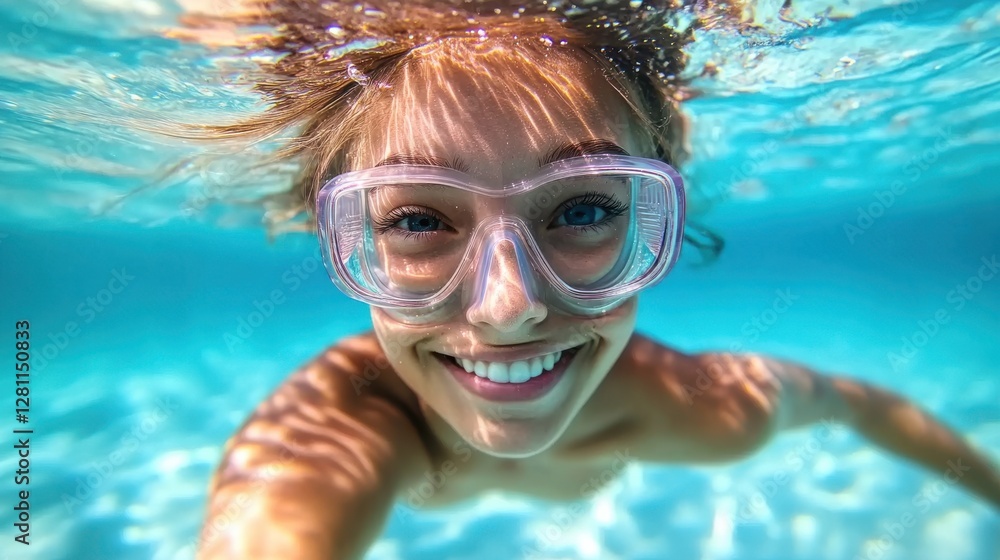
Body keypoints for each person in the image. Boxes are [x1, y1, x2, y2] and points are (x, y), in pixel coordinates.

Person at [175, 2, 1000, 558]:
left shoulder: (706, 411)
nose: (508, 308)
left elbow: (862, 405)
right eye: (418, 221)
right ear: (345, 243)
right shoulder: (332, 440)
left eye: (581, 211)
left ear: (654, 218)